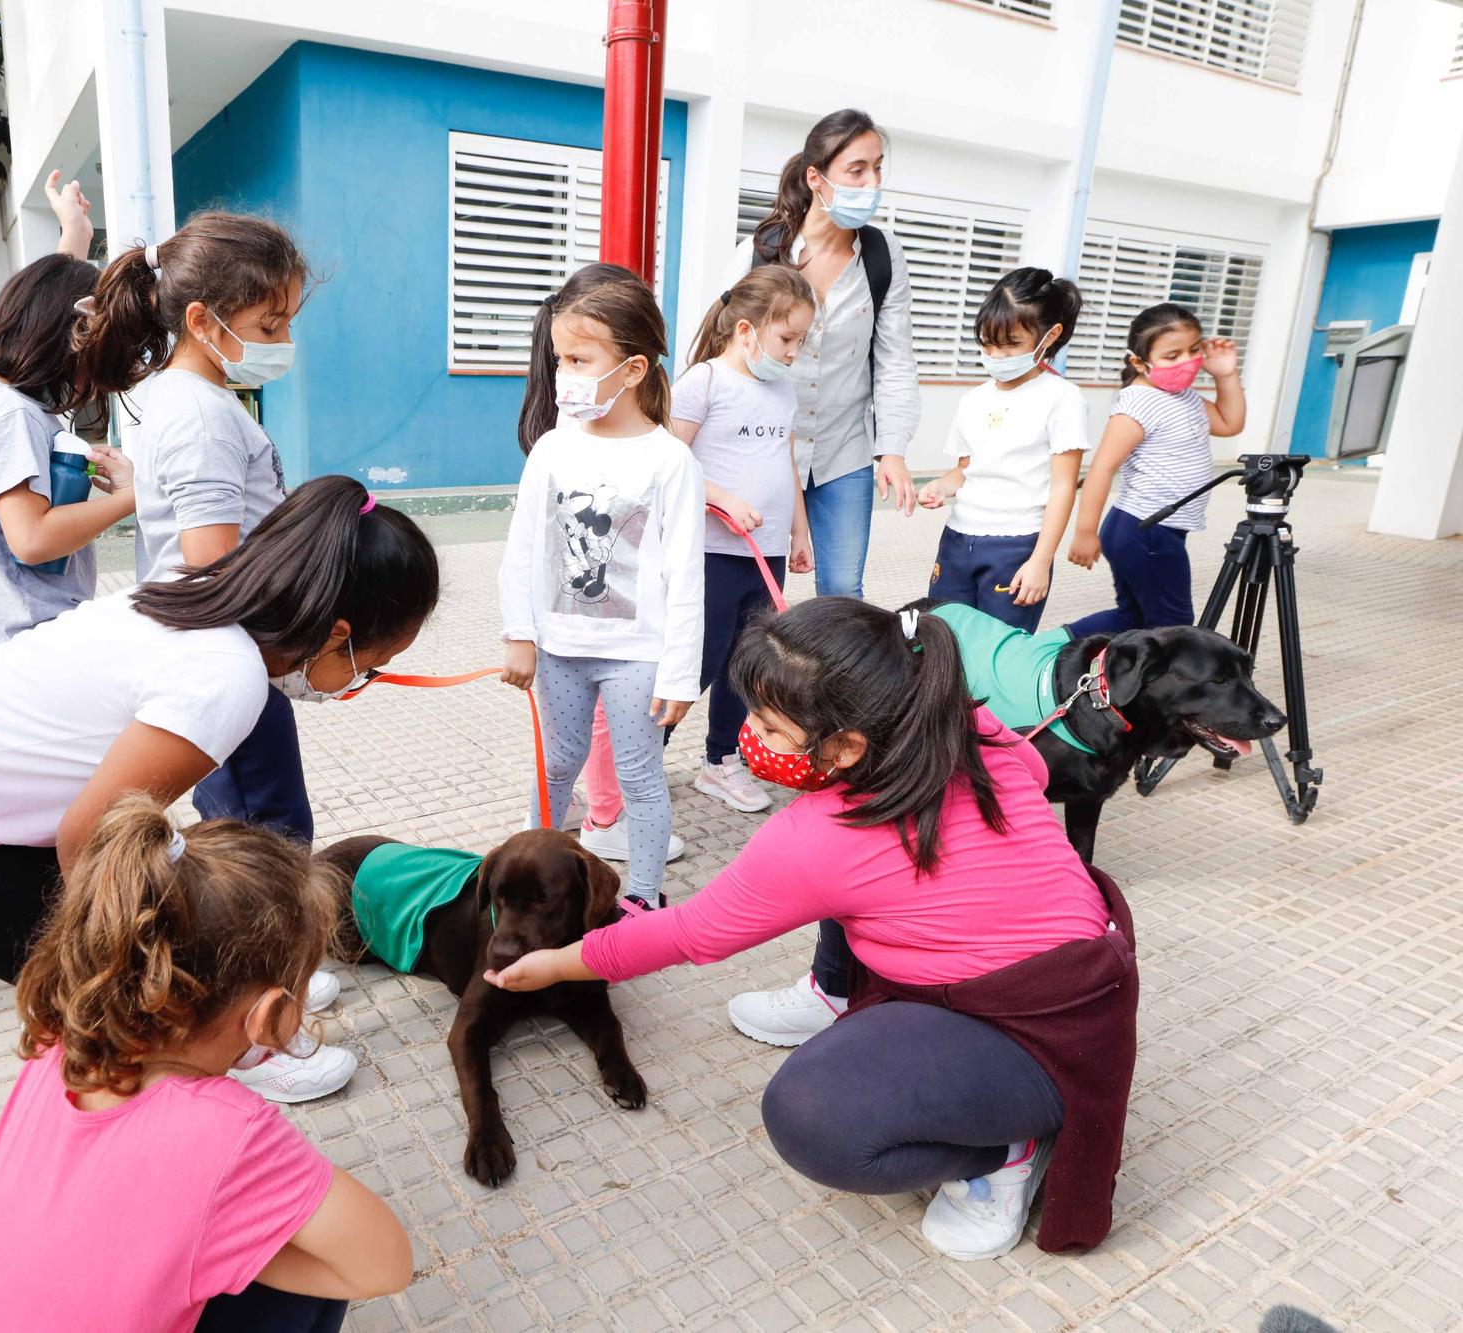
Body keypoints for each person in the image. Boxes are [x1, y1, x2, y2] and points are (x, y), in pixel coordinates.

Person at [484, 600, 1139, 1261]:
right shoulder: (962, 722)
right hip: (1093, 980)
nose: (753, 737)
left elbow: (690, 932)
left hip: (1038, 1032)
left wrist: (562, 962)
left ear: (849, 744)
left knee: (813, 1118)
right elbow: (1034, 772)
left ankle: (1006, 1150)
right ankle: (836, 993)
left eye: (770, 725)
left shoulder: (818, 837)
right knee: (859, 894)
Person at [0, 477, 441, 1103]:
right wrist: (141, 975)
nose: (364, 681)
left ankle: (227, 1019)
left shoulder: (199, 590)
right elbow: (90, 842)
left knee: (176, 926)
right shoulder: (225, 676)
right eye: (371, 664)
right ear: (338, 635)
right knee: (115, 996)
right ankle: (223, 1060)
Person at [0, 795, 413, 1332]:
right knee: (308, 1285)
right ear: (270, 1013)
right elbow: (385, 1265)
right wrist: (233, 1254)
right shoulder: (227, 1132)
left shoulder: (58, 1037)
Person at [74, 212, 317, 848]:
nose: (284, 338)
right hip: (224, 654)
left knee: (242, 834)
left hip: (219, 655)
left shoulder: (189, 398)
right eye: (270, 325)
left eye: (288, 320)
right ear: (201, 321)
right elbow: (214, 566)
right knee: (270, 847)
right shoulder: (202, 416)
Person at [499, 262, 706, 910]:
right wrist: (520, 634)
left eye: (581, 359)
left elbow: (685, 575)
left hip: (636, 655)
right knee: (554, 767)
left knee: (641, 776)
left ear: (634, 369)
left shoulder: (671, 460)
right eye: (561, 358)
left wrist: (678, 673)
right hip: (559, 646)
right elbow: (523, 548)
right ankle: (529, 881)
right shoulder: (553, 449)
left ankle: (642, 895)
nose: (565, 374)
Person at [0, 171, 134, 675]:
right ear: (65, 340)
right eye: (91, 354)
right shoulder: (12, 415)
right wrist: (136, 496)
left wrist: (75, 236)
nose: (89, 377)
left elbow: (53, 298)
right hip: (23, 648)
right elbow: (33, 539)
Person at [728, 108, 922, 599]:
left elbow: (895, 358)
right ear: (816, 177)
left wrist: (892, 449)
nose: (871, 181)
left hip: (844, 450)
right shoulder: (759, 253)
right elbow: (722, 351)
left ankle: (834, 679)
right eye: (857, 170)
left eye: (877, 168)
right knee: (755, 588)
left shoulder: (882, 255)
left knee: (841, 591)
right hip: (765, 447)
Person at [669, 264, 818, 817]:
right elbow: (668, 462)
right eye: (786, 338)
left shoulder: (783, 391)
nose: (792, 352)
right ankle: (639, 760)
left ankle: (720, 760)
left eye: (801, 340)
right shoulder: (703, 382)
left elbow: (785, 460)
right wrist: (720, 497)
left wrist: (799, 531)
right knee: (700, 661)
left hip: (768, 552)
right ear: (746, 330)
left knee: (747, 663)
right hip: (711, 552)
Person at [916, 267, 1087, 633]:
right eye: (988, 343)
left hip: (1016, 546)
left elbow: (1063, 488)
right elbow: (965, 469)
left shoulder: (1063, 399)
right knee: (940, 642)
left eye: (1011, 343)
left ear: (1050, 336)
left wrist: (1041, 560)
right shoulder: (973, 399)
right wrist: (940, 487)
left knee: (999, 649)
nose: (996, 354)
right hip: (958, 540)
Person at [1064, 302, 1246, 636]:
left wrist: (1226, 376)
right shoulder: (1139, 403)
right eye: (1172, 355)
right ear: (1139, 362)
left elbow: (1229, 422)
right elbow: (1102, 468)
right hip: (1144, 528)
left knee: (1134, 617)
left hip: (1159, 528)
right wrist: (1085, 532)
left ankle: (1056, 646)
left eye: (1194, 350)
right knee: (1173, 625)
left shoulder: (1185, 397)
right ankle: (1160, 686)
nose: (1186, 361)